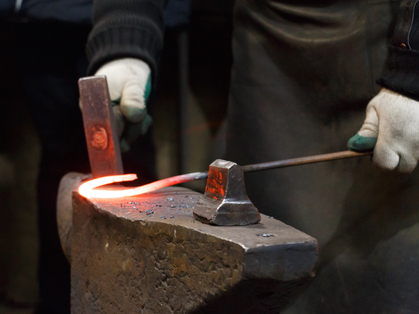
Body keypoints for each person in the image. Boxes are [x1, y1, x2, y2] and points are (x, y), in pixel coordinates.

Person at [86, 0, 419, 312]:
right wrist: (124, 37)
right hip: (267, 54)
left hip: (387, 53)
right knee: (267, 276)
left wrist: (411, 71)